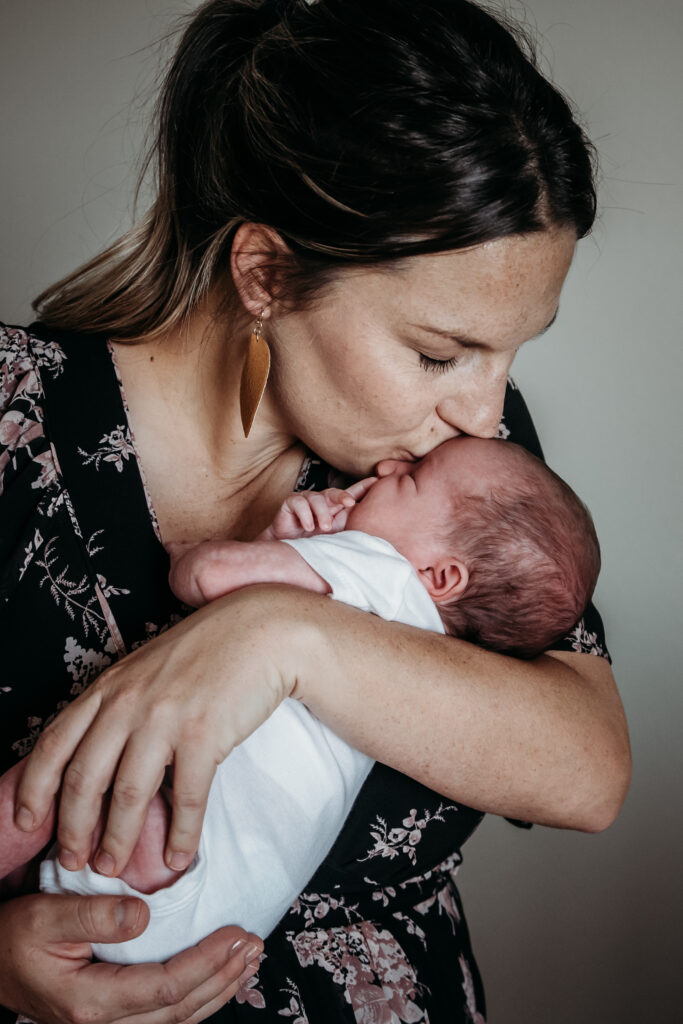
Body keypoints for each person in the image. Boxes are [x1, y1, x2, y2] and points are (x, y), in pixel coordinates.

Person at [0, 0, 631, 1021]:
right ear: (265, 272)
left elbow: (587, 768)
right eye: (438, 350)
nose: (484, 408)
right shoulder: (12, 420)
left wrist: (283, 634)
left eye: (512, 350)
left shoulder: (458, 461)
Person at [0, 436, 601, 966]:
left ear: (439, 576)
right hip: (211, 919)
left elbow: (208, 580)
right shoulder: (429, 644)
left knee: (63, 774)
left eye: (412, 477)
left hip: (164, 845)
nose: (390, 466)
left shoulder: (380, 569)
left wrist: (196, 552)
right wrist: (288, 551)